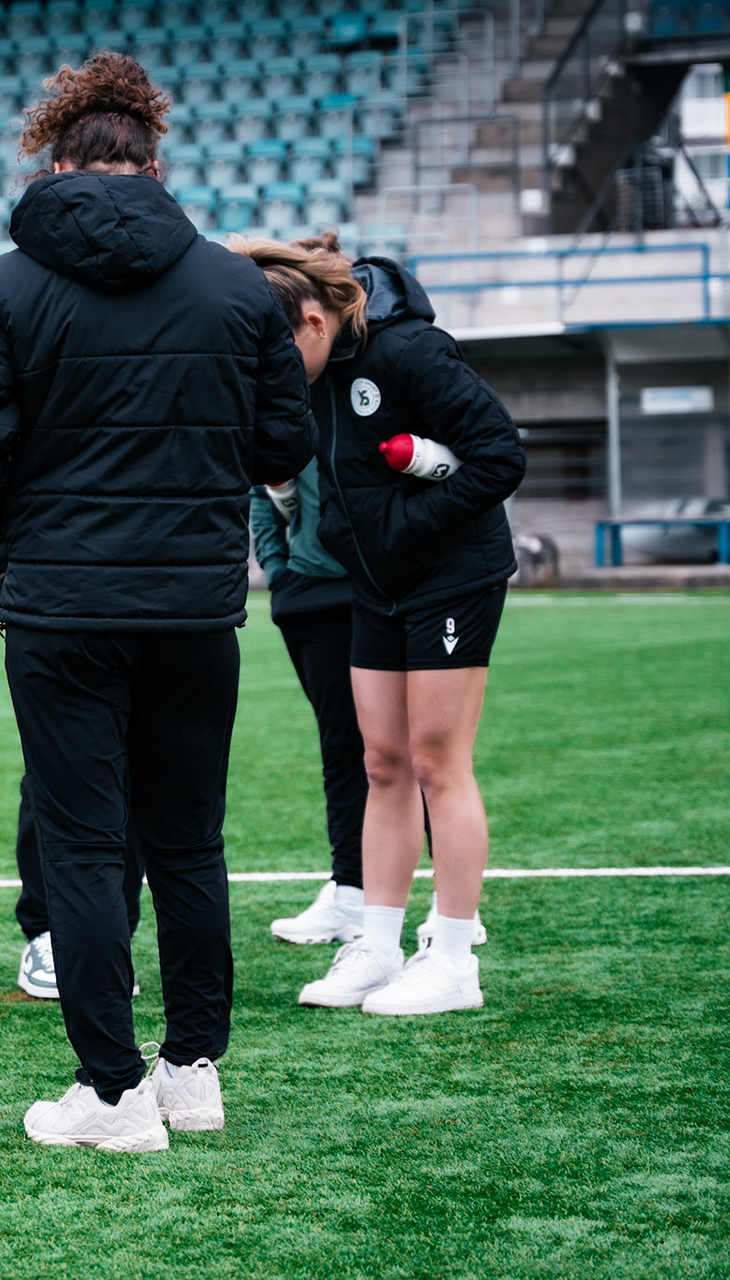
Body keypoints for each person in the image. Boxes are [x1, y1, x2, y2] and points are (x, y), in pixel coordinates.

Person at [0, 54, 314, 1153]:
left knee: (84, 847)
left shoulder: (6, 283)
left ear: (55, 163)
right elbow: (288, 441)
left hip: (62, 606)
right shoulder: (239, 287)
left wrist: (19, 525)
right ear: (156, 161)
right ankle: (191, 1068)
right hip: (193, 604)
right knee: (188, 841)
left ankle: (110, 1090)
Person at [231, 235, 521, 1017]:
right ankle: (377, 945)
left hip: (451, 578)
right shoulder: (309, 380)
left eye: (280, 347)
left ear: (318, 321)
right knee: (383, 761)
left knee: (437, 762)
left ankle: (454, 956)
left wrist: (401, 527)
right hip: (375, 586)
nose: (274, 368)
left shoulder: (410, 352)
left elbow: (499, 457)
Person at [0, 518, 143, 1004]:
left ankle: (111, 937)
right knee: (55, 771)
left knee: (140, 773)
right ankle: (49, 931)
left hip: (156, 591)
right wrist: (6, 567)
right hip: (51, 594)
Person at [249, 432, 371, 946]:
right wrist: (281, 573)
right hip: (312, 598)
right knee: (342, 748)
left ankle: (449, 904)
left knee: (418, 749)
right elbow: (262, 486)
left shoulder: (388, 376)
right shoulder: (285, 403)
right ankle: (351, 893)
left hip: (389, 589)